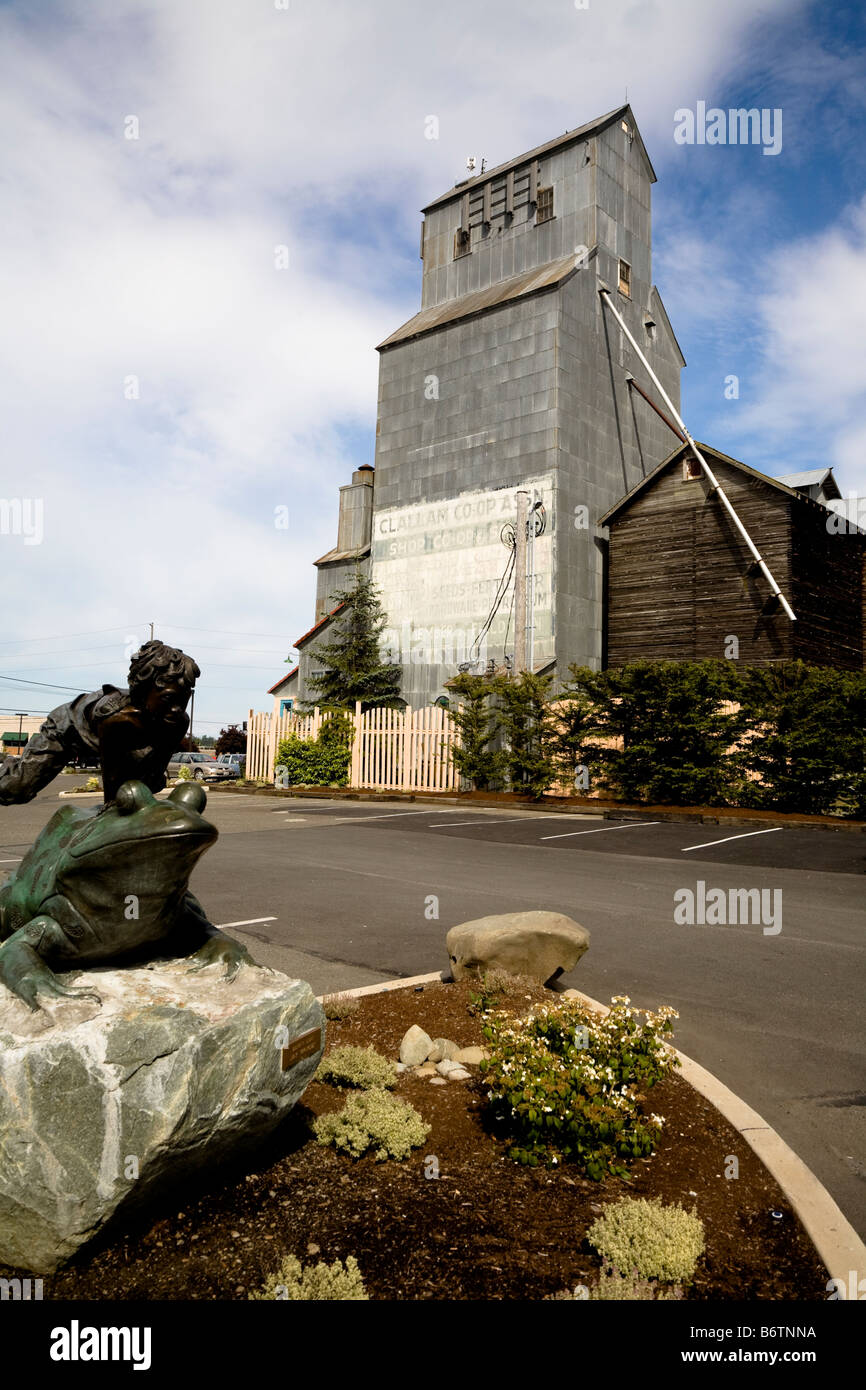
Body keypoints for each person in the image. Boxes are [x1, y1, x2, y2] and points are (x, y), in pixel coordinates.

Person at [0, 640, 200, 806]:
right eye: (168, 699)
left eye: (184, 699)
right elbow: (112, 782)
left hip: (116, 739)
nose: (177, 709)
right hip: (67, 731)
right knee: (15, 789)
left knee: (154, 783)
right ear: (144, 691)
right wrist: (113, 811)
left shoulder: (177, 721)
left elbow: (154, 773)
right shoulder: (119, 717)